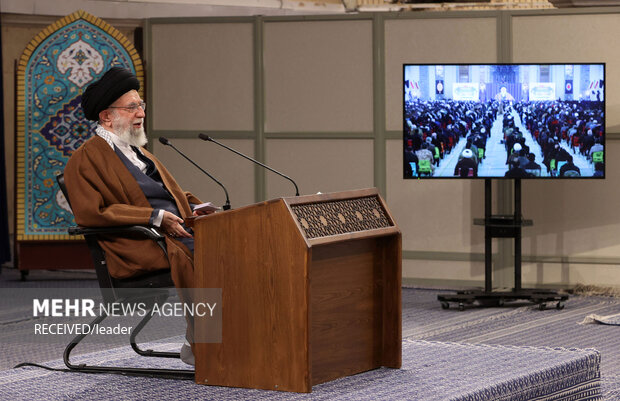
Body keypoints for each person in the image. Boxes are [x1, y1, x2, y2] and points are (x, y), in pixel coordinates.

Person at [63, 67, 209, 365]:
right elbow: (93, 213)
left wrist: (195, 209)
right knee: (214, 254)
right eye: (132, 107)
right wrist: (155, 218)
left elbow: (168, 194)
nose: (141, 112)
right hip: (139, 245)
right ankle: (202, 342)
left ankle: (236, 336)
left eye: (142, 105)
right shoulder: (85, 159)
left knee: (238, 244)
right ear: (107, 116)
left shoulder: (139, 152)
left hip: (174, 234)